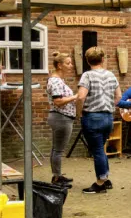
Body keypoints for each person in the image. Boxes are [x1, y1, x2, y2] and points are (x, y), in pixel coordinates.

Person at [76, 47, 121, 194]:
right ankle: (106, 178)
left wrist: (79, 112)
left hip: (92, 116)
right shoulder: (111, 75)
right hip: (108, 117)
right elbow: (119, 96)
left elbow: (81, 96)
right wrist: (109, 106)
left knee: (97, 151)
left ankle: (100, 182)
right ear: (102, 59)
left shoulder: (87, 76)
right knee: (101, 149)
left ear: (88, 61)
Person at [46, 52, 77, 186]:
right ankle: (57, 178)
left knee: (56, 149)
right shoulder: (56, 81)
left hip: (61, 118)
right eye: (68, 63)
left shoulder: (58, 80)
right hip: (61, 118)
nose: (71, 66)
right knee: (58, 150)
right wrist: (75, 96)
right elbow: (58, 101)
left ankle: (57, 175)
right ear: (59, 65)